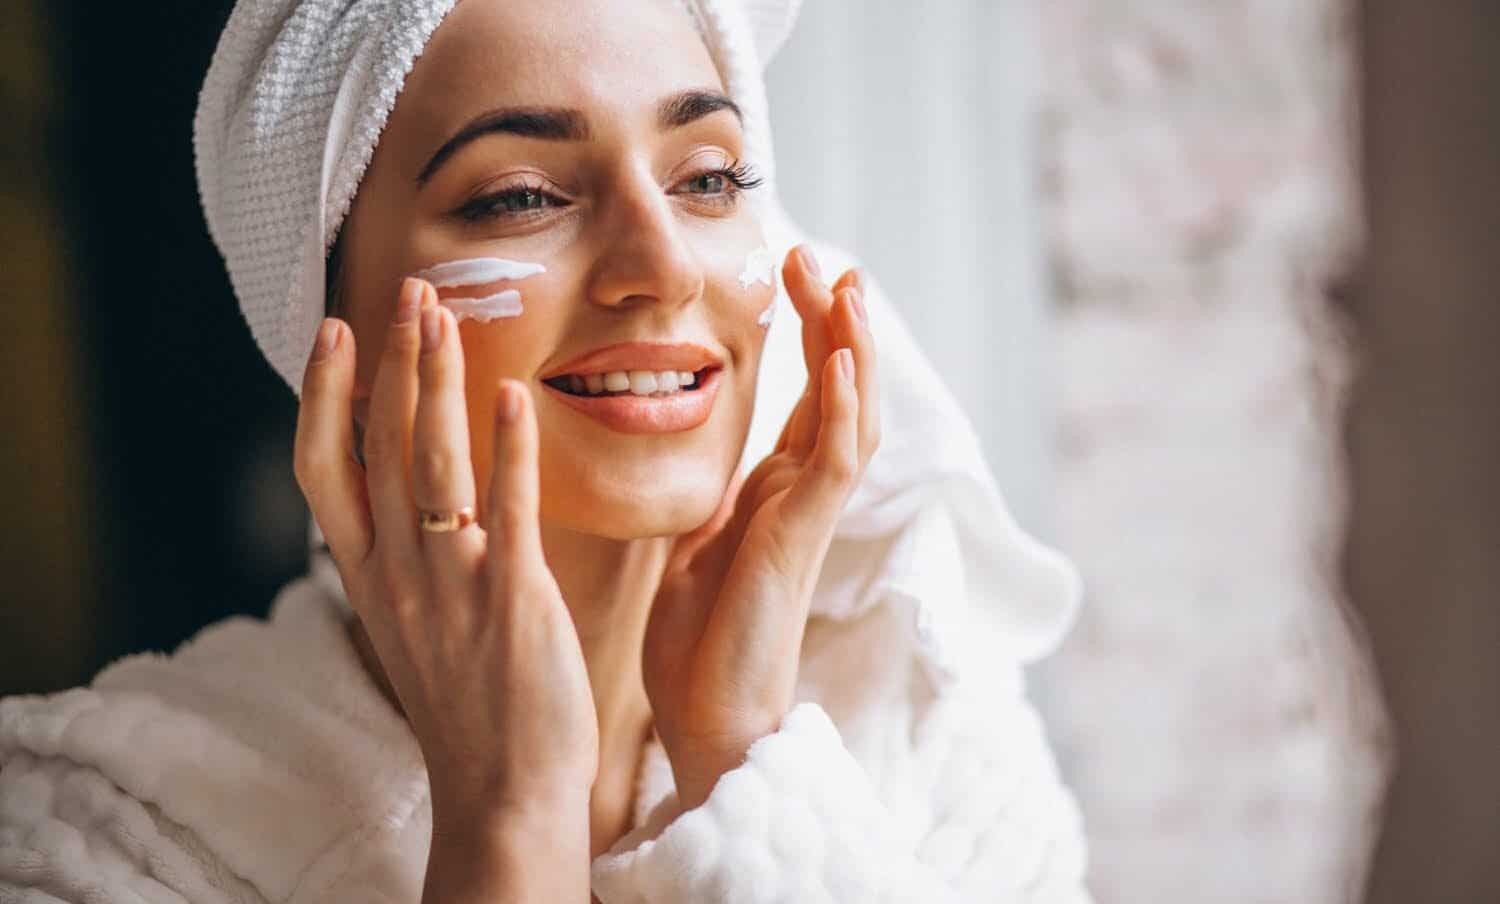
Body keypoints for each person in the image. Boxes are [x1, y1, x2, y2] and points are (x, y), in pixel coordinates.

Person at [0, 0, 1091, 900]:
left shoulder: (937, 752)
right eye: (519, 195)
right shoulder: (111, 830)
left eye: (707, 177)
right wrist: (506, 819)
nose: (661, 266)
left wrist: (743, 772)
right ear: (336, 334)